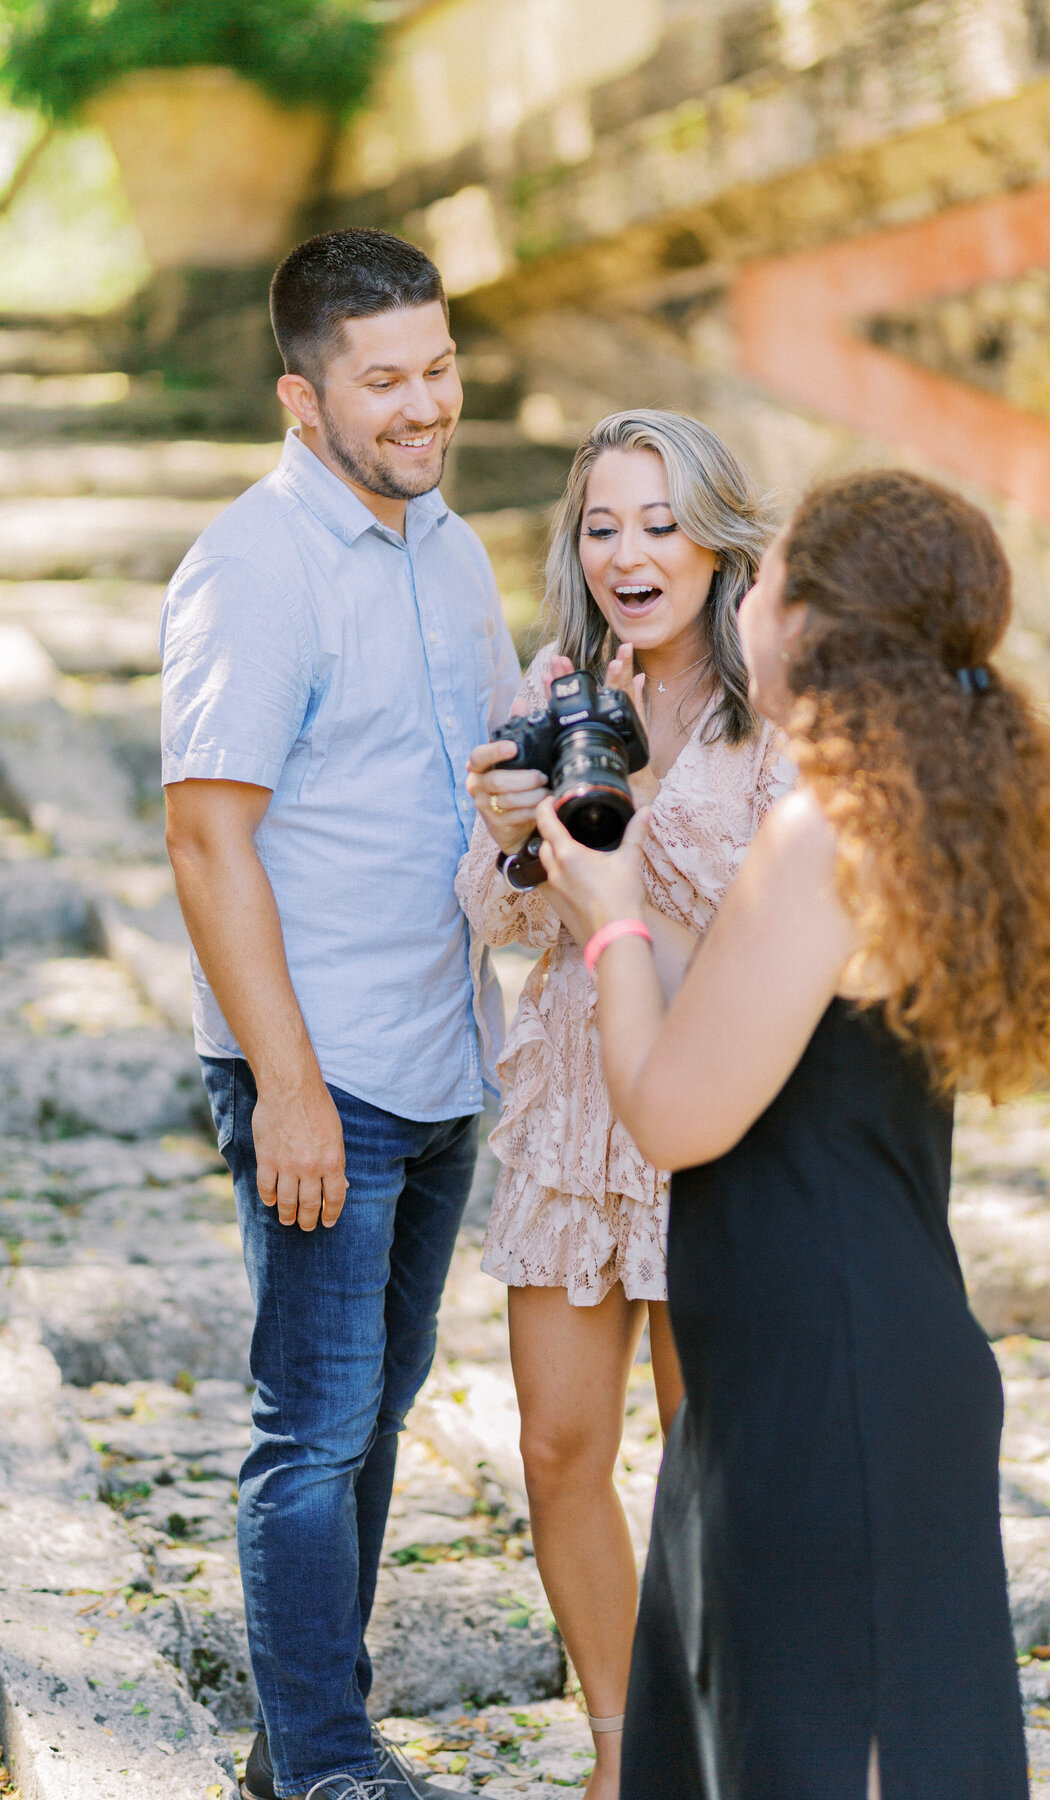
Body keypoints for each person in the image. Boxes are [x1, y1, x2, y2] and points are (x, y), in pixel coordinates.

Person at [534, 469, 1050, 1800]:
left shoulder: (820, 827)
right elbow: (758, 993)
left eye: (773, 574)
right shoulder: (905, 806)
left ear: (817, 624)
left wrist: (614, 917)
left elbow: (674, 1115)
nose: (748, 599)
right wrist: (593, 888)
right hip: (830, 1368)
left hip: (820, 1384)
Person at [160, 228, 520, 1800]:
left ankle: (298, 1738)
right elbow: (205, 837)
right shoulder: (253, 564)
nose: (424, 403)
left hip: (443, 1051)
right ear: (306, 398)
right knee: (309, 1425)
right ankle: (323, 1763)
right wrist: (289, 1091)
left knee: (377, 1409)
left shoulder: (449, 545)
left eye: (437, 366)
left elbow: (475, 781)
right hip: (324, 1064)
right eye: (386, 380)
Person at [456, 411, 789, 1798]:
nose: (629, 552)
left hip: (710, 1105)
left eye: (660, 522)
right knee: (556, 1445)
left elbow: (771, 929)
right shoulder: (560, 681)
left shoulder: (771, 711)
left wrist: (638, 807)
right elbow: (496, 923)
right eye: (602, 524)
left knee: (707, 1459)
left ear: (719, 540)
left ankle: (732, 1743)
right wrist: (506, 835)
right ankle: (621, 1750)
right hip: (575, 1109)